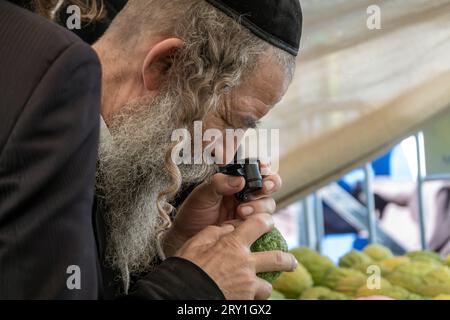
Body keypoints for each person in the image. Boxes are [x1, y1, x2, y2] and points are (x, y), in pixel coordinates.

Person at [0, 0, 303, 299]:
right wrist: (194, 287)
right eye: (230, 121)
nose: (225, 155)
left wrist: (178, 250)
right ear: (166, 65)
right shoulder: (40, 133)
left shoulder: (104, 152)